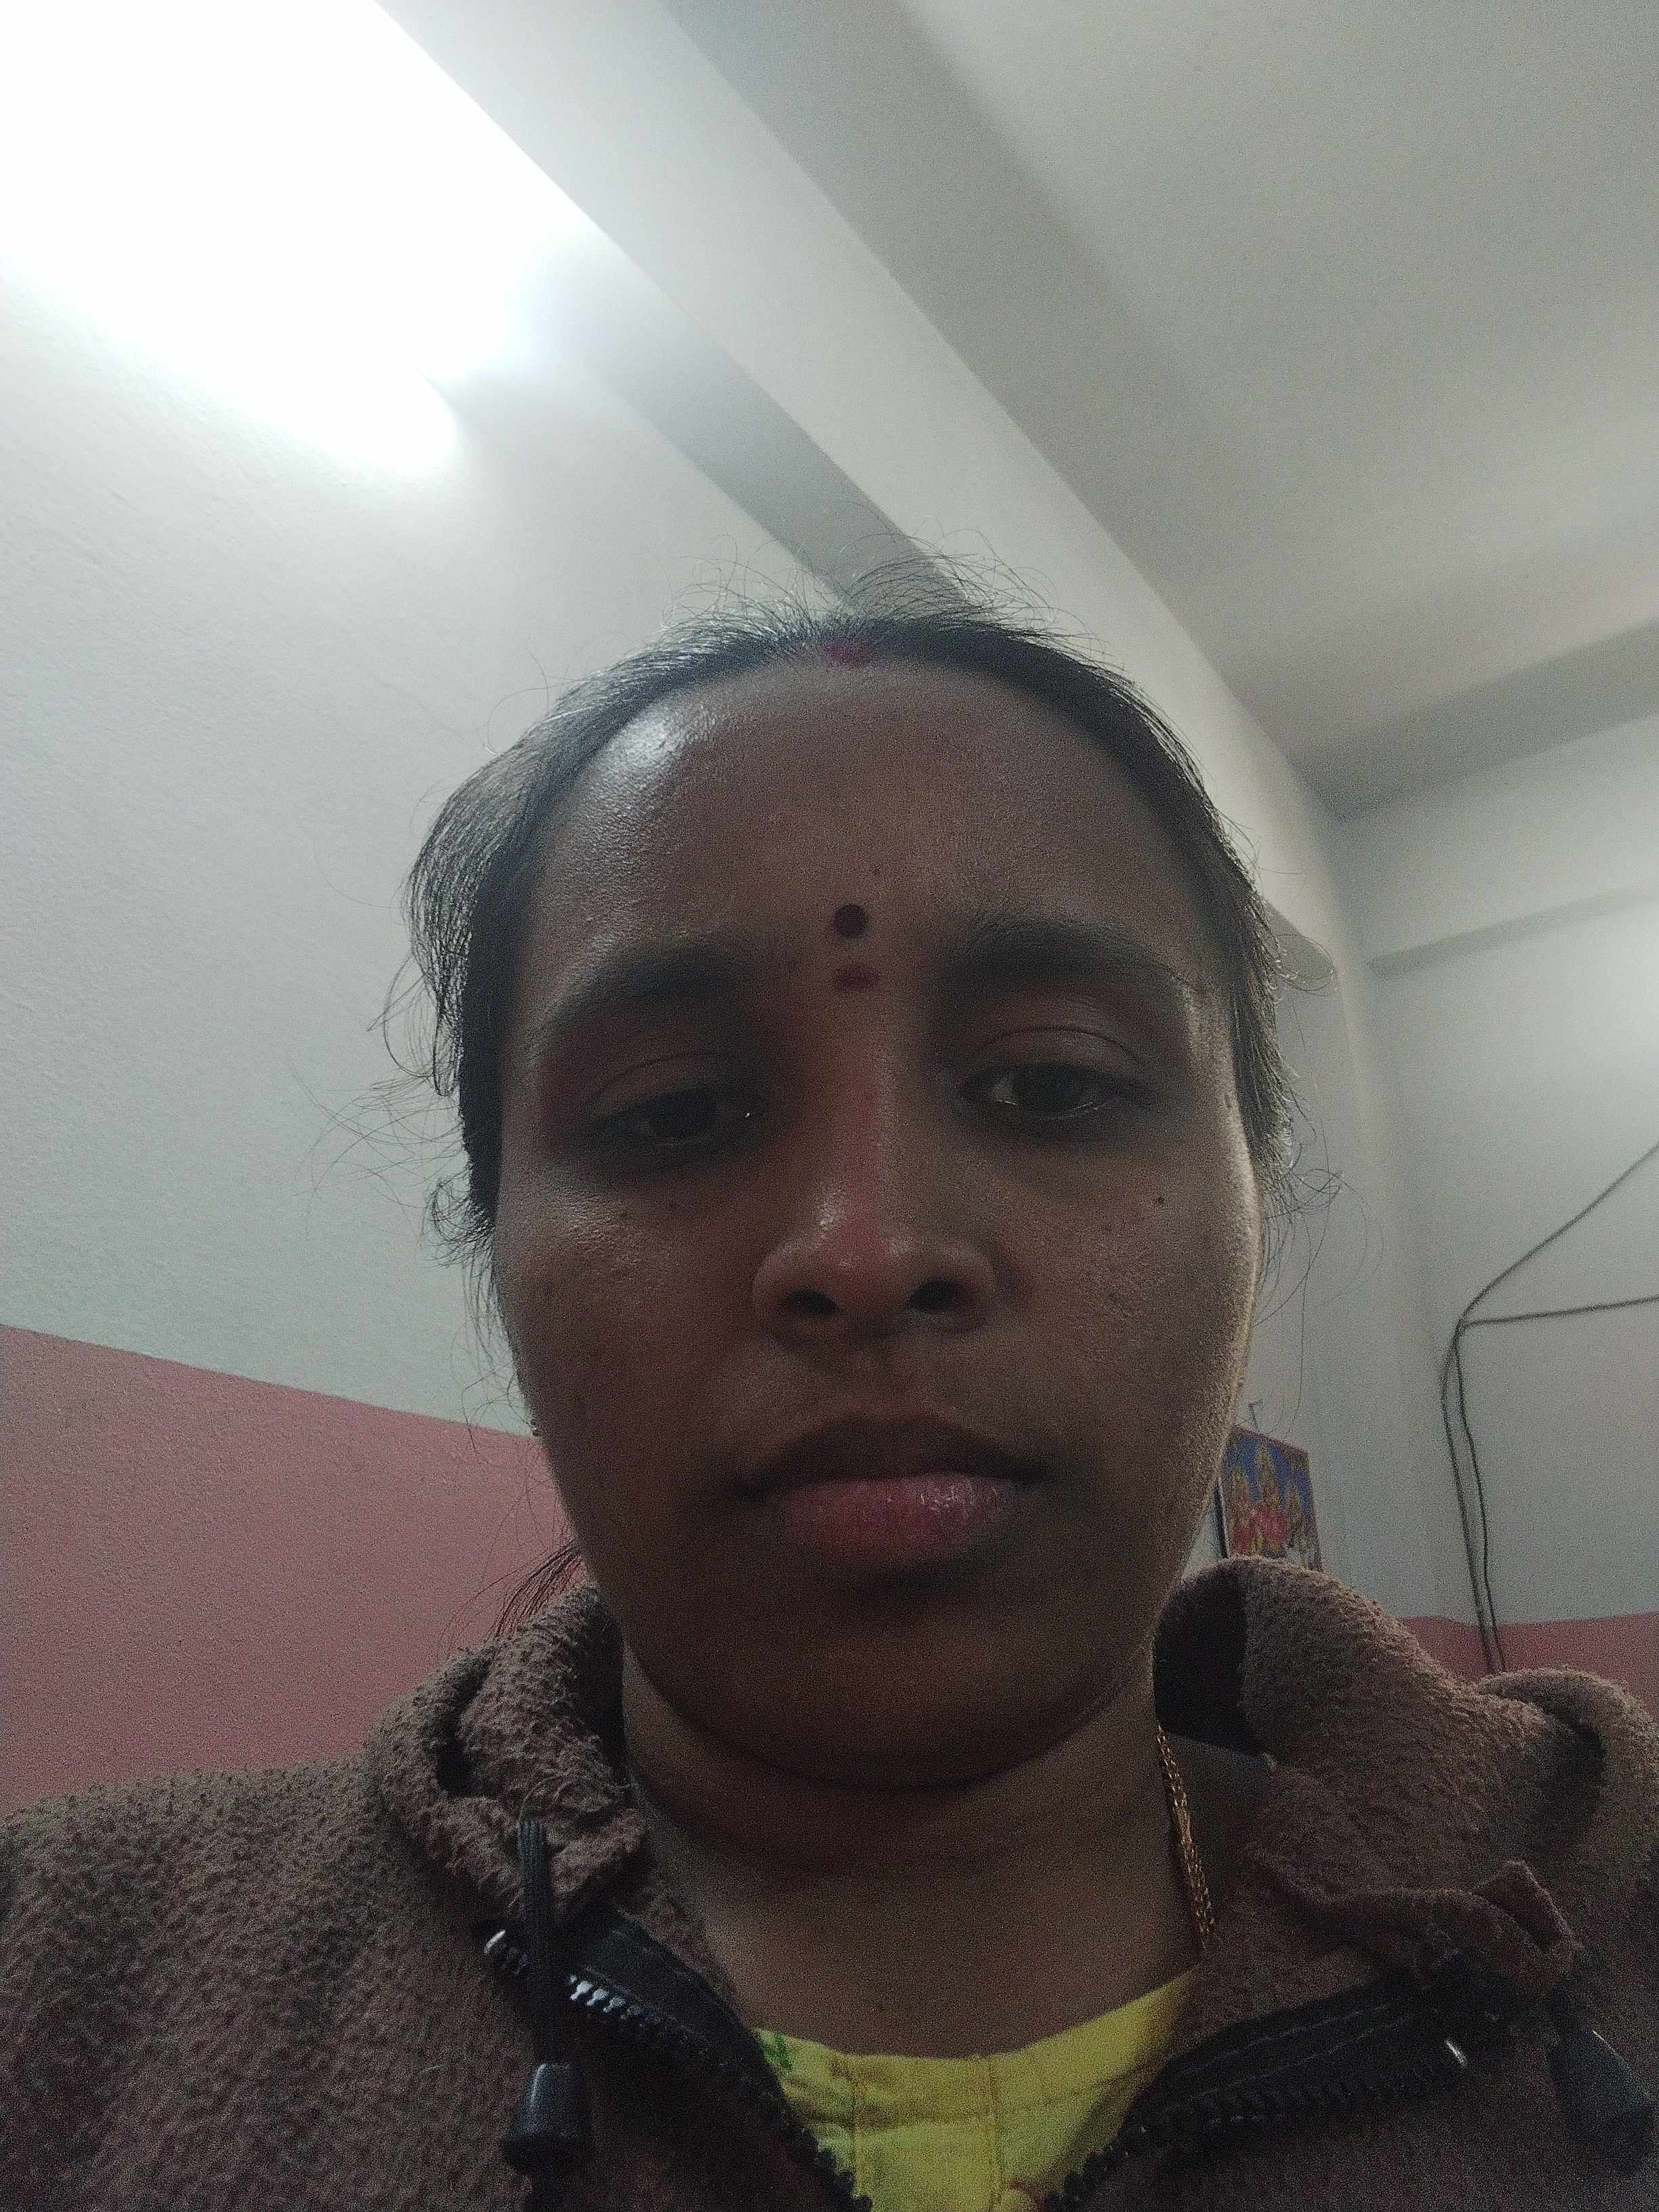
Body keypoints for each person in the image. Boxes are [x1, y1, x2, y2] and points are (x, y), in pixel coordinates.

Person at [3, 580, 1656, 2212]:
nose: (868, 1251)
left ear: (1256, 1191)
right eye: (674, 1113)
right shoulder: (69, 1987)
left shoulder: (1608, 1910)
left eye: (1053, 1083)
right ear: (494, 1239)